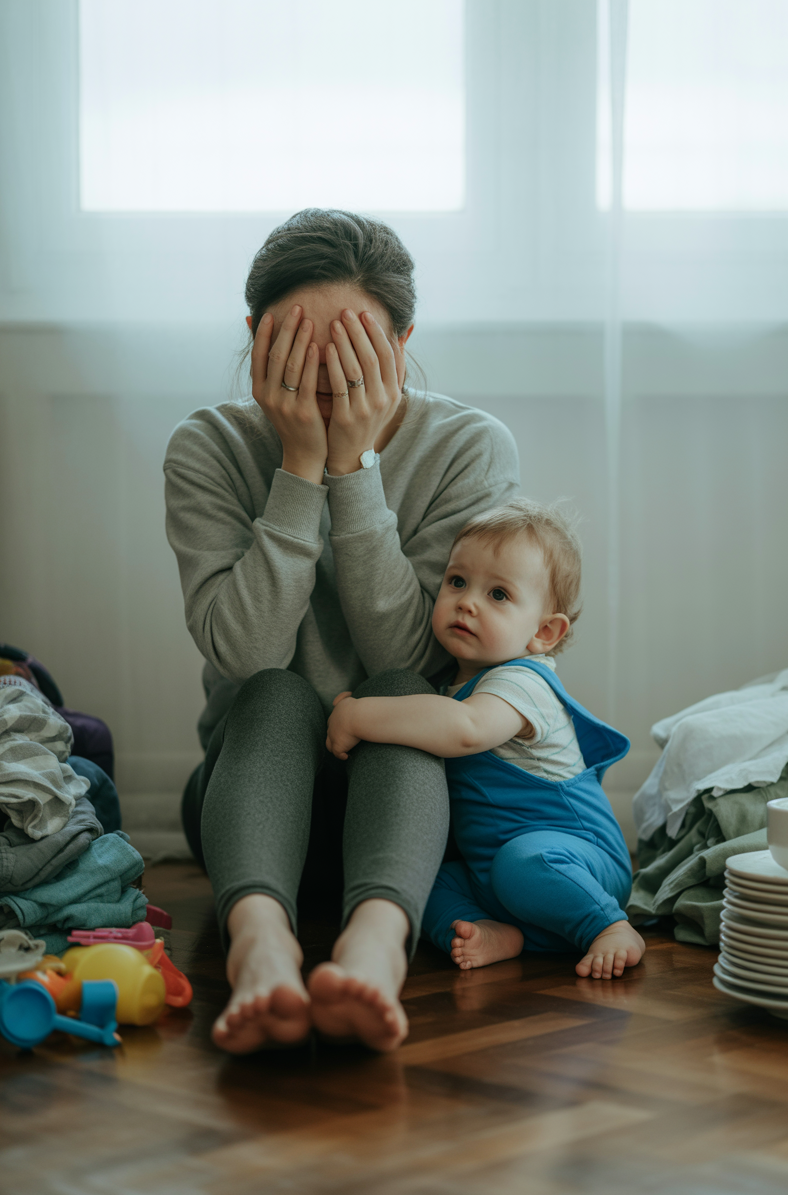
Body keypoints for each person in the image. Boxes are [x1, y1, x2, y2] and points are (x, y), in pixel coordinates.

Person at [164, 208, 520, 1053]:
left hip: (410, 815)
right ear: (254, 337)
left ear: (401, 343)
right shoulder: (209, 447)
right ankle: (260, 943)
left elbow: (412, 657)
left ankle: (375, 944)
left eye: (355, 351)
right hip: (247, 803)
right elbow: (247, 655)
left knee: (396, 695)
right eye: (295, 350)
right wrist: (297, 469)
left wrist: (356, 473)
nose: (324, 380)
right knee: (277, 693)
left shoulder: (469, 448)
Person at [325, 498, 646, 981]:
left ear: (543, 632)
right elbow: (434, 719)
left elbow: (464, 729)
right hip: (492, 870)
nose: (467, 601)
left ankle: (607, 925)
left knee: (524, 862)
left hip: (574, 859)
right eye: (457, 581)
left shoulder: (524, 684)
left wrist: (361, 715)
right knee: (416, 879)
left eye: (498, 595)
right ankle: (494, 931)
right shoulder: (450, 689)